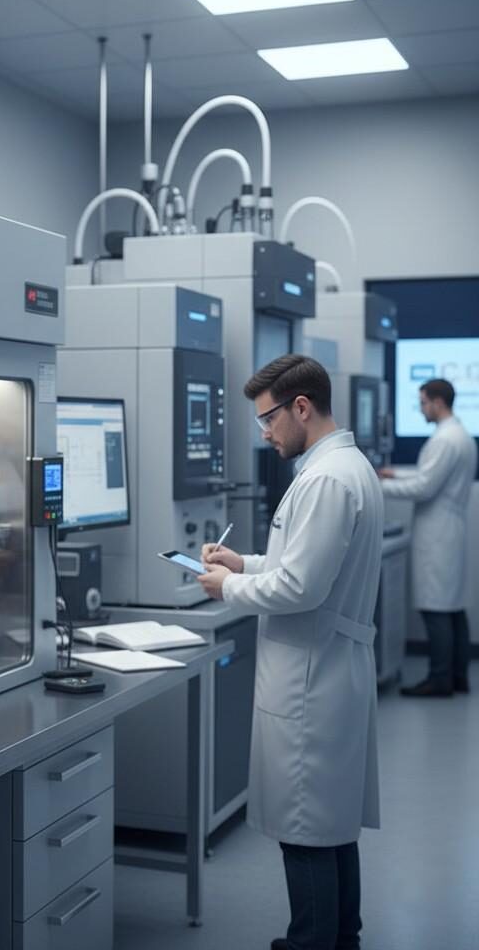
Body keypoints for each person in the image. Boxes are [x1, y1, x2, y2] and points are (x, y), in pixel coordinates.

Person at [198, 354, 382, 950]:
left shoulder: (326, 479)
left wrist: (228, 587)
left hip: (312, 679)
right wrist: (244, 562)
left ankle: (311, 942)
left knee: (306, 830)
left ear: (301, 406)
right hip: (329, 668)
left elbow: (301, 588)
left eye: (268, 419)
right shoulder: (345, 468)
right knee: (330, 825)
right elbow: (300, 565)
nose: (265, 432)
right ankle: (340, 937)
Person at [379, 378, 477, 697]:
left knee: (436, 609)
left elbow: (424, 487)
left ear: (437, 402)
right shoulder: (459, 435)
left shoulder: (444, 441)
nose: (421, 409)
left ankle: (439, 679)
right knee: (452, 608)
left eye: (422, 402)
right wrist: (398, 474)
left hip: (438, 535)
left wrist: (375, 484)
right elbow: (429, 477)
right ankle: (458, 677)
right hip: (450, 529)